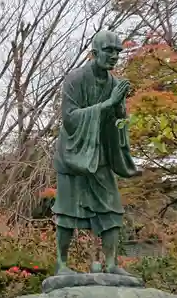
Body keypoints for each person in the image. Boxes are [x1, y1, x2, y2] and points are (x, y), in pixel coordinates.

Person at [52, 29, 140, 275]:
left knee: (111, 207)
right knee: (67, 210)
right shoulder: (75, 79)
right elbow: (69, 119)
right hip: (73, 154)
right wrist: (108, 104)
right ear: (94, 53)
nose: (114, 56)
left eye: (117, 52)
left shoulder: (115, 83)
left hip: (100, 153)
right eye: (108, 51)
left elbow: (117, 122)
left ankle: (112, 264)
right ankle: (61, 264)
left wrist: (120, 110)